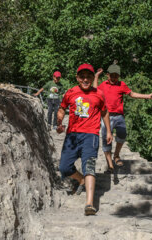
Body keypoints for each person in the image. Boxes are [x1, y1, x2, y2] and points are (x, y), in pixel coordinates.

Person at [56, 63, 113, 216]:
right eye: (83, 77)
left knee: (89, 166)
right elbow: (62, 108)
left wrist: (108, 131)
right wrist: (59, 122)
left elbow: (105, 112)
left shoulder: (98, 94)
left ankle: (89, 203)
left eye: (89, 76)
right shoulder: (70, 93)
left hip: (91, 135)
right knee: (64, 168)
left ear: (92, 77)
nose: (86, 79)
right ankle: (80, 179)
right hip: (72, 135)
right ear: (77, 78)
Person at [93, 63, 152, 173]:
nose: (113, 78)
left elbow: (132, 94)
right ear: (107, 75)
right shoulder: (103, 84)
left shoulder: (122, 85)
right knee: (106, 140)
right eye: (111, 75)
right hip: (106, 116)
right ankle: (110, 165)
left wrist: (147, 96)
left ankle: (116, 155)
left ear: (119, 76)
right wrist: (96, 76)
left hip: (119, 116)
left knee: (122, 135)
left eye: (116, 76)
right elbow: (94, 91)